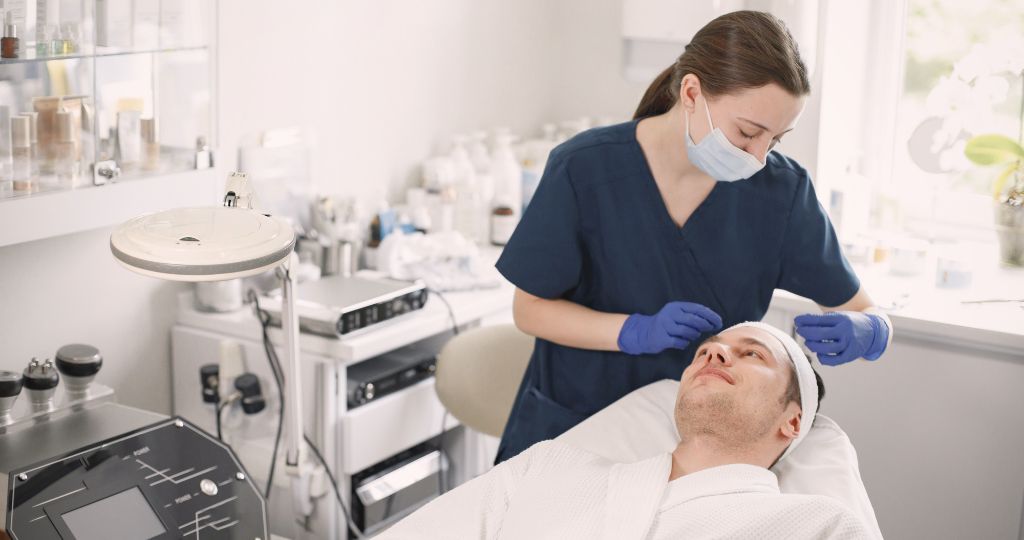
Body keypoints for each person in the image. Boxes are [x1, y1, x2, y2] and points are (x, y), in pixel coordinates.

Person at [493, 10, 892, 463]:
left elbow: (859, 307)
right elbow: (529, 310)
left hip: (698, 446)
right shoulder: (584, 169)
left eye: (776, 140)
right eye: (747, 132)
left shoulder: (781, 192)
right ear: (691, 92)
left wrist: (871, 330)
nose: (759, 157)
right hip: (573, 428)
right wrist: (633, 332)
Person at [379, 323, 873, 539]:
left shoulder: (818, 526)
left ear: (793, 421)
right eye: (707, 350)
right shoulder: (551, 464)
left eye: (752, 355)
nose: (714, 353)